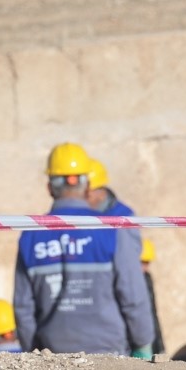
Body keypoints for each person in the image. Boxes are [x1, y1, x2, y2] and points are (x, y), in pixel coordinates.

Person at [13, 143, 155, 356]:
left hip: (53, 355)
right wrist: (143, 341)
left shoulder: (31, 235)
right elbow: (132, 294)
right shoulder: (111, 229)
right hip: (110, 353)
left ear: (50, 187)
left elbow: (23, 308)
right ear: (87, 186)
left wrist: (34, 352)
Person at [140, 237, 166, 358]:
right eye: (142, 262)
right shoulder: (123, 280)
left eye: (147, 262)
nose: (145, 267)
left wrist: (160, 347)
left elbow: (152, 314)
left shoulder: (146, 278)